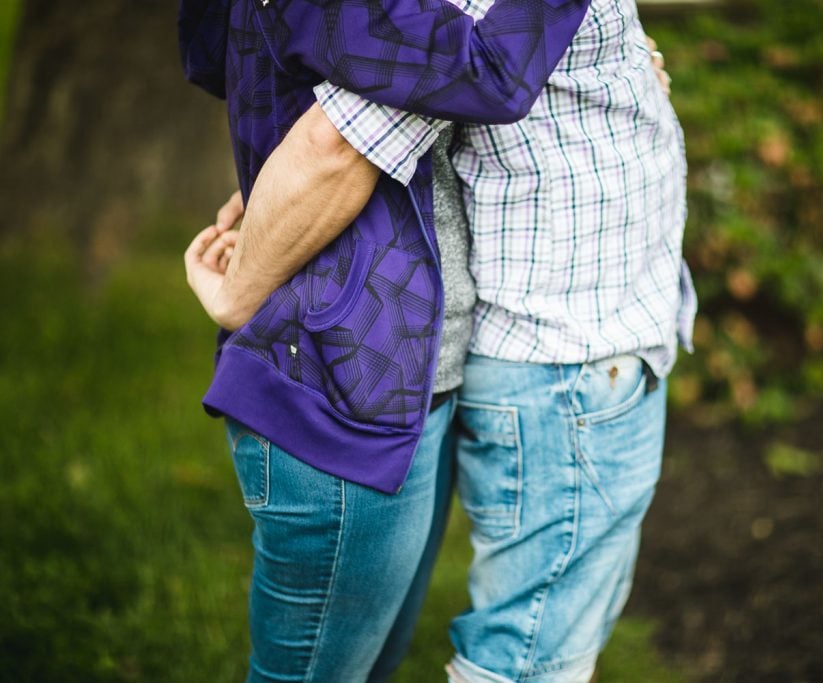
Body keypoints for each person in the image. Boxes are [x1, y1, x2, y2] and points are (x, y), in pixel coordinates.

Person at [182, 0, 692, 681]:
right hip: (360, 374)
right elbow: (342, 140)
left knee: (364, 662)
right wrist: (239, 289)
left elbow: (266, 70)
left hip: (408, 366)